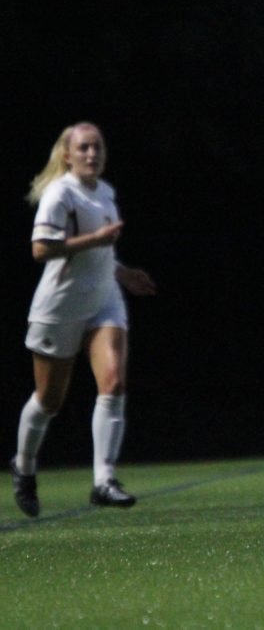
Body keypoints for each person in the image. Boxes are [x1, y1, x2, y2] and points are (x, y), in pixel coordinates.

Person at [11, 122, 156, 518]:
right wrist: (96, 240)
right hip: (60, 306)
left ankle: (104, 480)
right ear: (68, 155)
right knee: (49, 400)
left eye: (97, 148)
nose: (92, 154)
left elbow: (101, 255)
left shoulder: (105, 192)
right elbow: (40, 249)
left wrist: (123, 274)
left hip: (104, 299)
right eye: (84, 148)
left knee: (114, 382)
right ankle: (24, 466)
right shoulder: (60, 194)